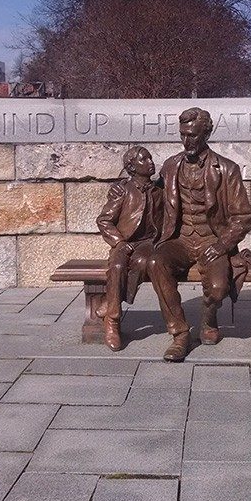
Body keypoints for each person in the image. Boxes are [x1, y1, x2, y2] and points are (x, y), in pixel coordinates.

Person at [147, 107, 251, 361]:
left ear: (207, 133)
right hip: (180, 240)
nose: (187, 141)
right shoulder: (171, 166)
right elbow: (152, 197)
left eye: (193, 135)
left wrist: (222, 245)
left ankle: (208, 318)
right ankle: (180, 334)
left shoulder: (227, 169)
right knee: (155, 262)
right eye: (183, 135)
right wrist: (126, 191)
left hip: (212, 241)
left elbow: (244, 216)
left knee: (218, 289)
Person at [96, 146, 163, 351]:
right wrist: (118, 241)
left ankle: (110, 303)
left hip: (147, 243)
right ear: (131, 167)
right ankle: (113, 322)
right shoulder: (122, 190)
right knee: (116, 266)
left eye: (150, 158)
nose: (150, 162)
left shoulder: (160, 191)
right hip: (124, 241)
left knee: (143, 263)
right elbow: (104, 220)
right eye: (144, 159)